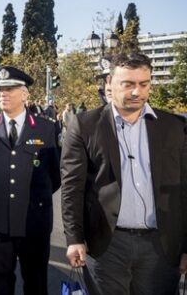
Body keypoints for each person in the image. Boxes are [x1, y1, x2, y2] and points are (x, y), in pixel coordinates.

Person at [61, 52, 187, 294]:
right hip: (106, 245)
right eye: (128, 84)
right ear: (110, 82)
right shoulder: (84, 125)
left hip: (161, 248)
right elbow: (72, 188)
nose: (137, 92)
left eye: (144, 84)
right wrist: (74, 238)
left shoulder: (174, 127)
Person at [0, 65, 60, 295]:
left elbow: (56, 174)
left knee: (36, 280)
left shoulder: (46, 128)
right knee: (0, 281)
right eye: (0, 89)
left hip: (35, 219)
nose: (3, 94)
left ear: (25, 93)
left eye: (10, 89)